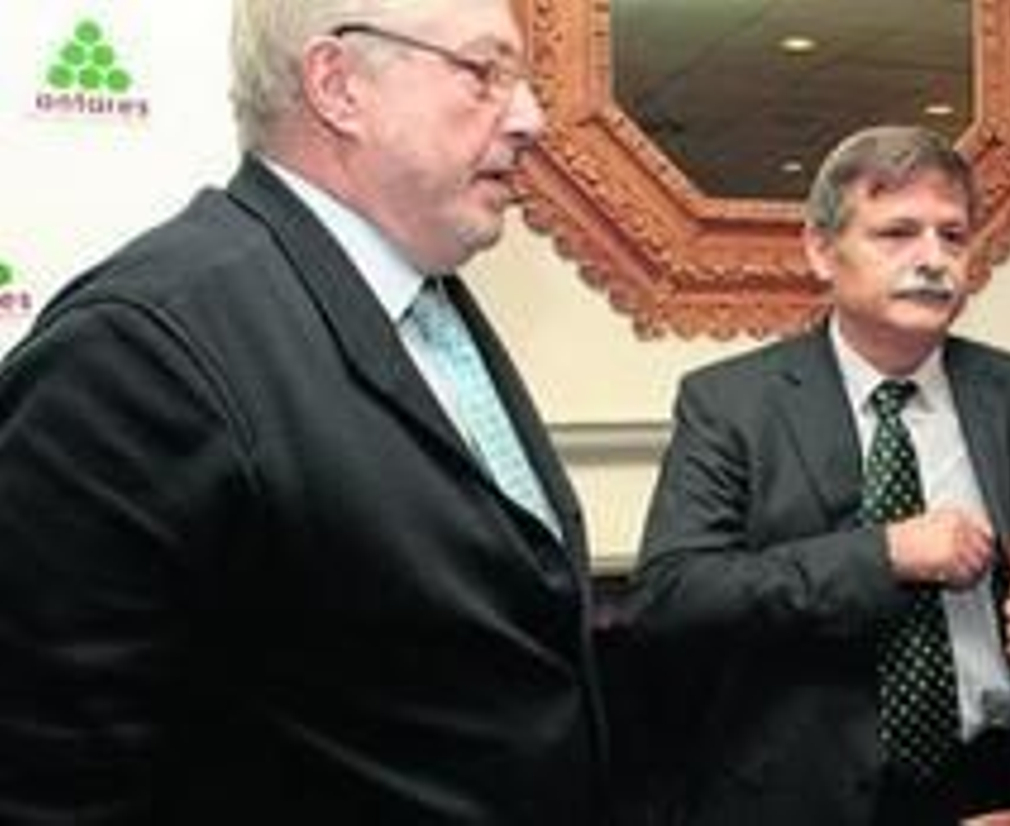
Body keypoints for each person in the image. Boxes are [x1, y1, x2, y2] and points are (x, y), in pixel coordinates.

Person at [0, 0, 608, 822]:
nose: (530, 118)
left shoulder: (426, 299)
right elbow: (50, 781)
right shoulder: (136, 355)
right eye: (484, 73)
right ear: (337, 85)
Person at [622, 124, 1010, 826]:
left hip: (983, 782)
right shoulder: (732, 404)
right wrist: (885, 555)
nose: (932, 258)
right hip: (794, 795)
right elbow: (673, 596)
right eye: (897, 233)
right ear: (821, 250)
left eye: (953, 236)